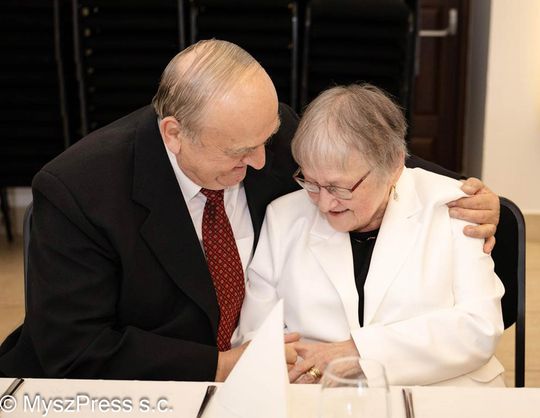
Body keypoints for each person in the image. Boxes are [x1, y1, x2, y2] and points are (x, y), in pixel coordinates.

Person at [0, 40, 499, 382]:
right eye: (240, 152)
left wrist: (469, 194)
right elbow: (74, 349)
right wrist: (224, 366)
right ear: (174, 134)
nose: (263, 162)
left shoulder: (263, 133)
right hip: (124, 385)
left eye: (267, 140)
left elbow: (367, 151)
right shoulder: (79, 190)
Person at [238, 84, 505, 387]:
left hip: (442, 391)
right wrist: (292, 365)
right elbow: (257, 333)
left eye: (339, 188)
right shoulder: (283, 215)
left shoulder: (457, 208)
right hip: (317, 392)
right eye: (310, 182)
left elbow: (479, 328)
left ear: (393, 166)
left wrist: (358, 353)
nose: (324, 204)